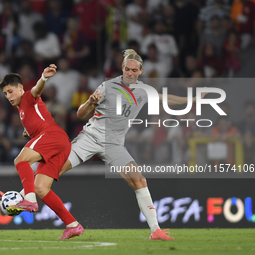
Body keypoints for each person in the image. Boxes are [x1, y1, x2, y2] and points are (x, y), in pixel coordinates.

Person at [59, 49, 207, 240]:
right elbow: (79, 114)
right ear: (122, 68)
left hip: (114, 145)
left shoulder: (144, 91)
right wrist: (90, 102)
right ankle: (23, 197)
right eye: (127, 69)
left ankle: (156, 231)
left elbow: (167, 99)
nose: (129, 73)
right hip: (90, 138)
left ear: (141, 71)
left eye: (134, 70)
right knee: (55, 170)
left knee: (140, 180)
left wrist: (192, 100)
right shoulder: (107, 86)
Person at [0, 66, 84, 240]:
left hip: (52, 136)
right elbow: (37, 120)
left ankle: (28, 200)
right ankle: (73, 225)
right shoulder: (22, 110)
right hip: (60, 144)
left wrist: (43, 78)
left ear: (20, 88)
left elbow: (37, 90)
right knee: (41, 188)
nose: (8, 96)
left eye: (10, 91)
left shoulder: (28, 96)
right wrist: (28, 131)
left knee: (20, 161)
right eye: (6, 94)